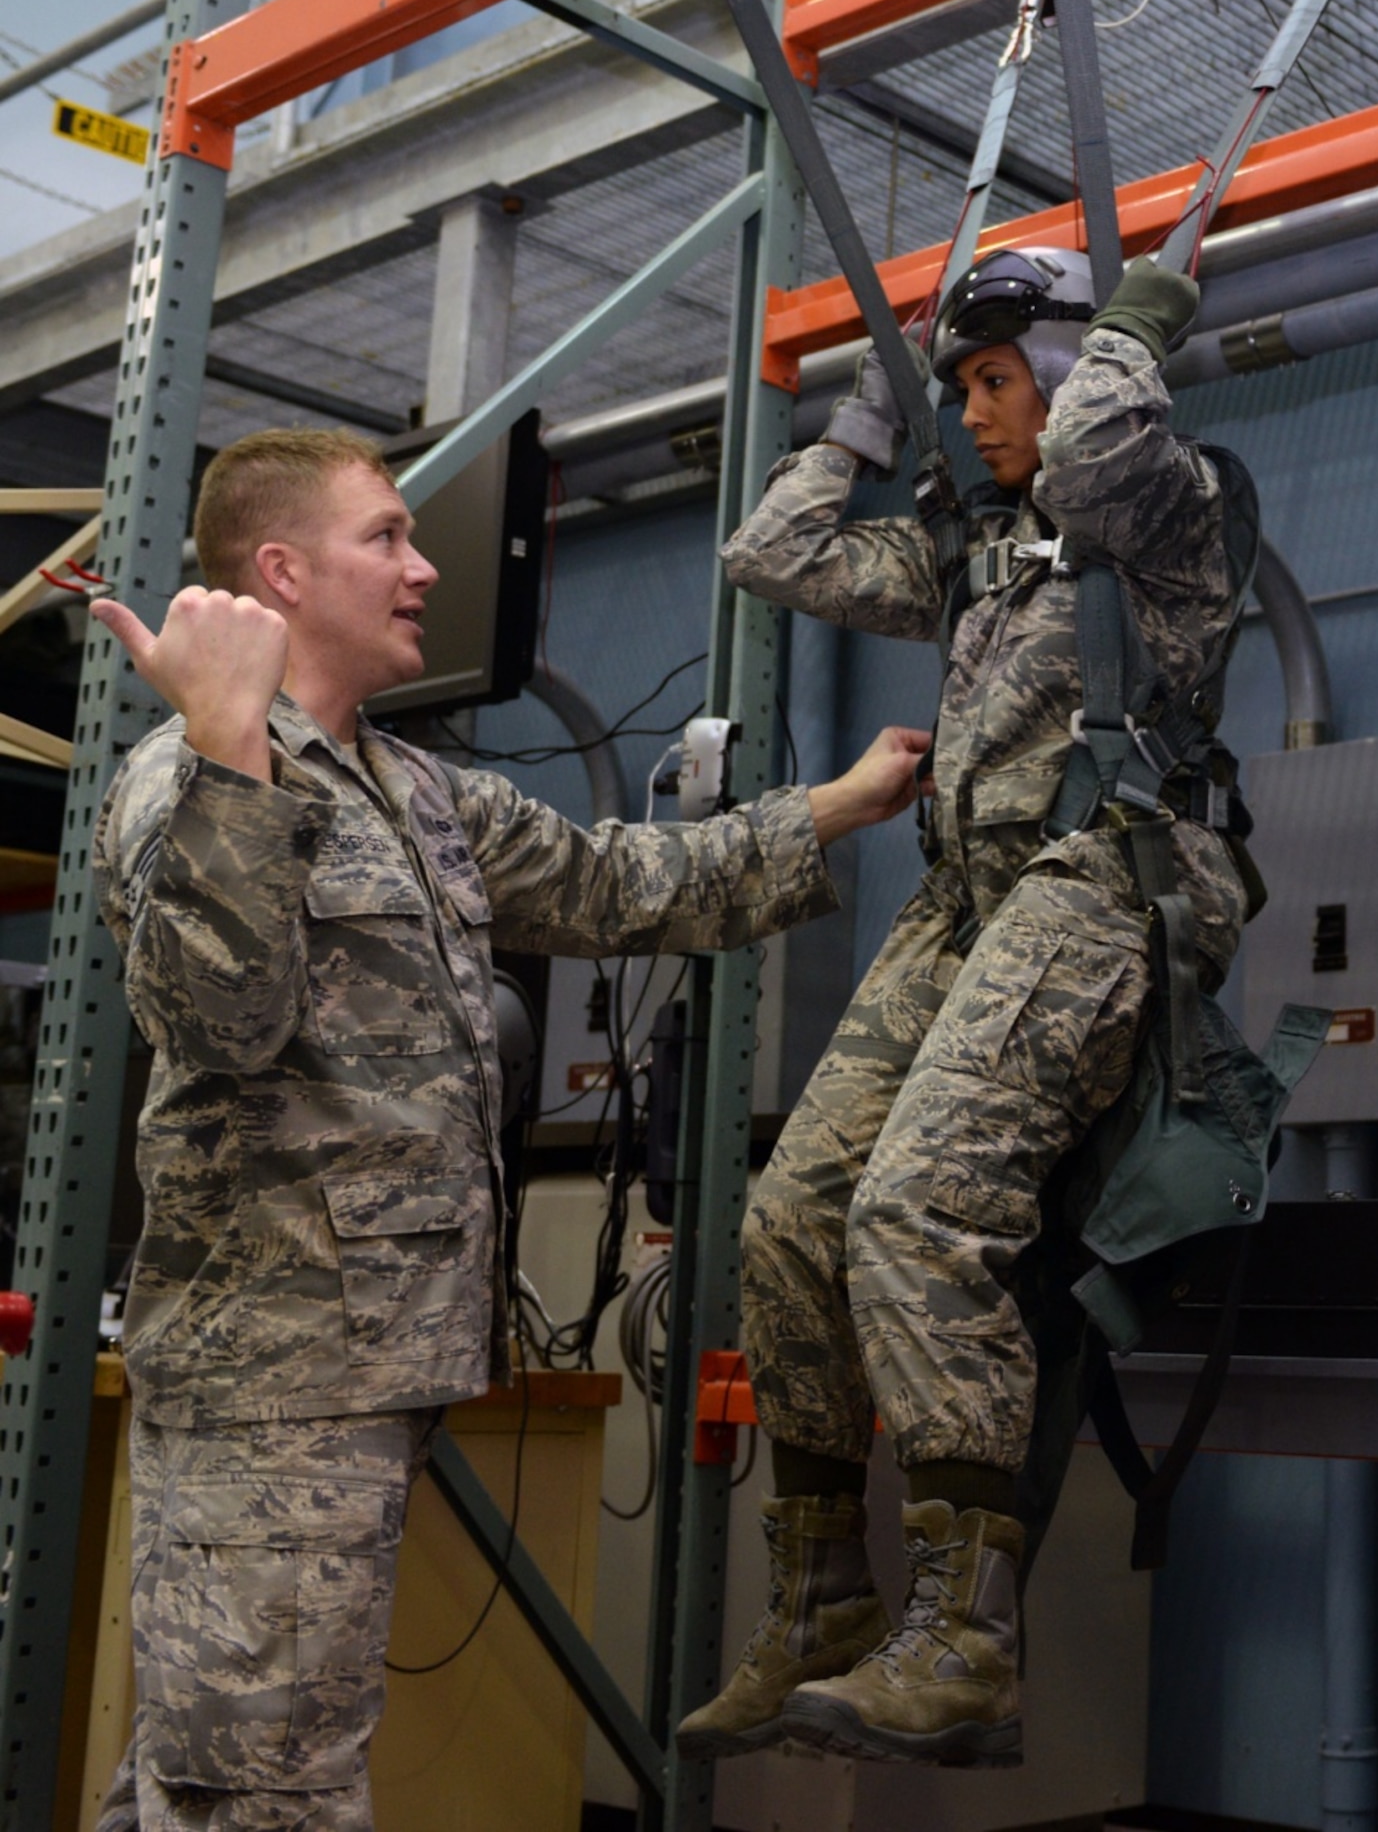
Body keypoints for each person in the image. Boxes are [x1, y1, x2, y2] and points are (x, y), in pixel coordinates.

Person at [86, 425, 929, 1832]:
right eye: (388, 539)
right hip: (273, 1384)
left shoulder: (416, 791)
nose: (423, 570)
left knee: (212, 1770)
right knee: (258, 1788)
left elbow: (615, 884)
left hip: (369, 1364)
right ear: (281, 571)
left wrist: (835, 807)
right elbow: (216, 1023)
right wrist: (233, 741)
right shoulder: (189, 777)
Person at [675, 249, 1253, 1769]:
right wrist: (867, 414)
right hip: (966, 893)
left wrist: (1116, 335)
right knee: (792, 1214)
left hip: (1099, 873)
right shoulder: (987, 549)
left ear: (1066, 377)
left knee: (915, 1210)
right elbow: (771, 553)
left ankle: (968, 1638)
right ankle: (822, 1603)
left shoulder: (1166, 506)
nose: (981, 418)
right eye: (968, 390)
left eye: (999, 383)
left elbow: (1095, 445)